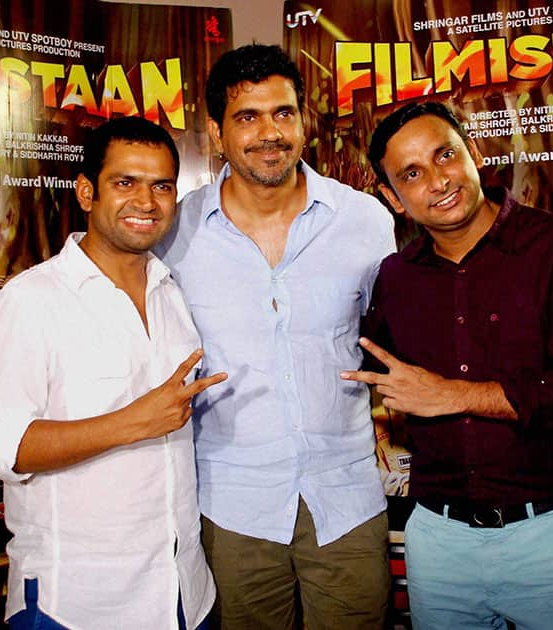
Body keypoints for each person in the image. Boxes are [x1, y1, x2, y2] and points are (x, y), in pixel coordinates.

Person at [342, 101, 553, 629]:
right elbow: (349, 358)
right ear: (394, 199)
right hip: (439, 541)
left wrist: (455, 394)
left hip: (549, 534)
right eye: (413, 174)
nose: (438, 180)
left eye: (445, 155)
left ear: (474, 154)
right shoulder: (396, 279)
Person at [158, 44, 395, 630]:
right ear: (216, 133)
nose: (270, 133)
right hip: (231, 504)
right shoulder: (174, 232)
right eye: (248, 117)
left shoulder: (364, 221)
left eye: (283, 114)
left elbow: (391, 340)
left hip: (345, 498)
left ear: (303, 121)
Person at [0, 117, 227, 630]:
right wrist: (131, 422)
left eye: (161, 186)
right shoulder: (31, 302)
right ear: (87, 191)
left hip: (184, 594)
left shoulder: (172, 292)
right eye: (124, 183)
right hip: (81, 606)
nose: (146, 201)